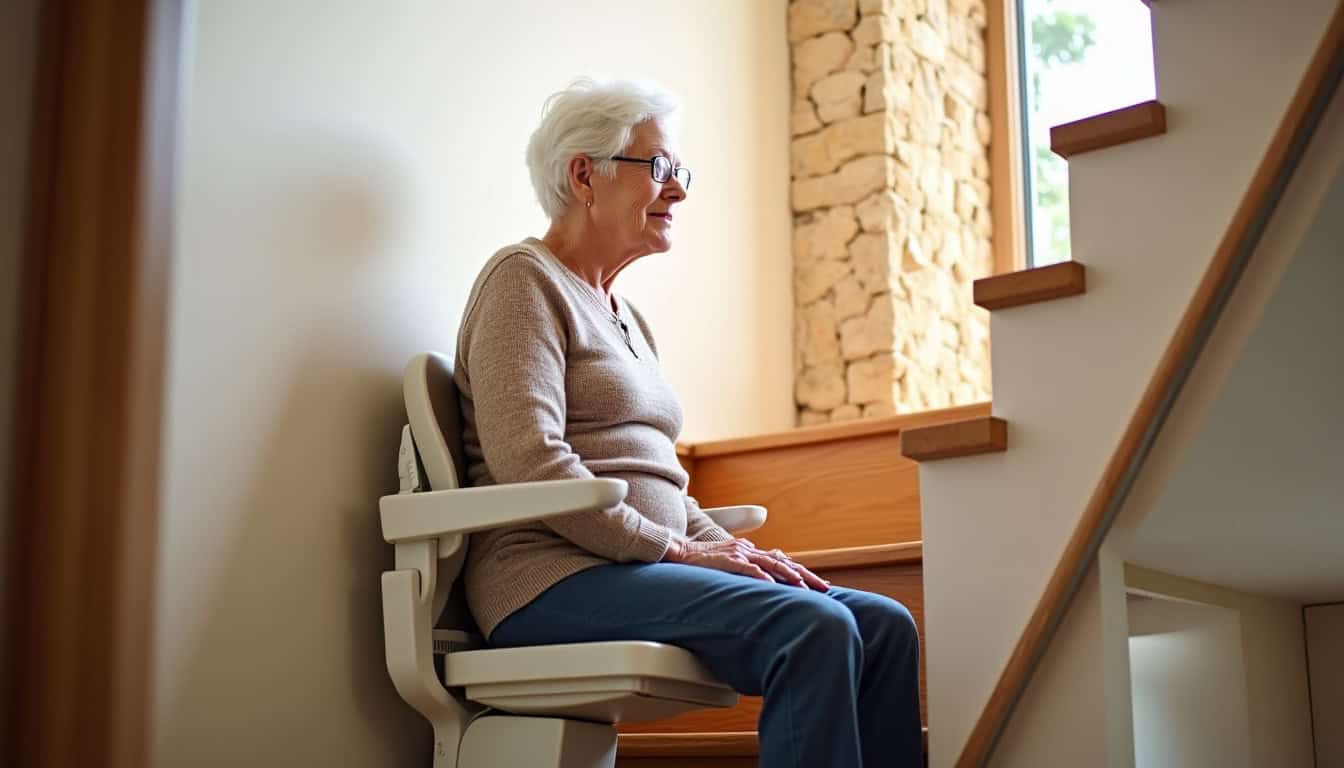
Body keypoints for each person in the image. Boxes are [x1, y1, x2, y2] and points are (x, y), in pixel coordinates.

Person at [452, 77, 922, 767]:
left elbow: (663, 482)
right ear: (584, 175)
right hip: (546, 579)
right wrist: (678, 552)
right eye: (659, 167)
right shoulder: (523, 282)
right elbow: (532, 461)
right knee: (810, 626)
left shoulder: (628, 318)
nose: (677, 189)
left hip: (632, 567)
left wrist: (732, 553)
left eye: (680, 171)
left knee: (883, 625)